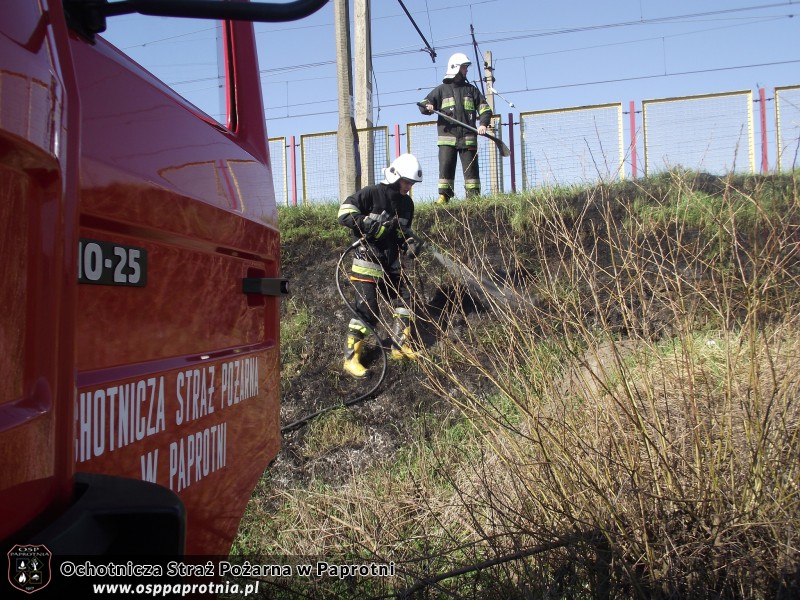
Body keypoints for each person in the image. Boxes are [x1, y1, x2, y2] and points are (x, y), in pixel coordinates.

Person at [337, 153, 427, 378]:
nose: (408, 187)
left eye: (412, 183)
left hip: (391, 263)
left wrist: (409, 244)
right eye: (406, 182)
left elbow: (402, 233)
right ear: (395, 176)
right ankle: (351, 359)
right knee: (368, 310)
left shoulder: (407, 204)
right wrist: (368, 225)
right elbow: (344, 213)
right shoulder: (371, 193)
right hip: (367, 260)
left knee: (406, 299)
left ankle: (400, 346)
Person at [419, 52, 493, 204]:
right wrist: (428, 107)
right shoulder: (441, 90)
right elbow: (423, 103)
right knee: (446, 166)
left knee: (471, 170)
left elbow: (485, 109)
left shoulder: (471, 90)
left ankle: (473, 198)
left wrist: (483, 124)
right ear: (456, 68)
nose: (466, 70)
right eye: (464, 67)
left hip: (468, 138)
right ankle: (444, 197)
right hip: (447, 138)